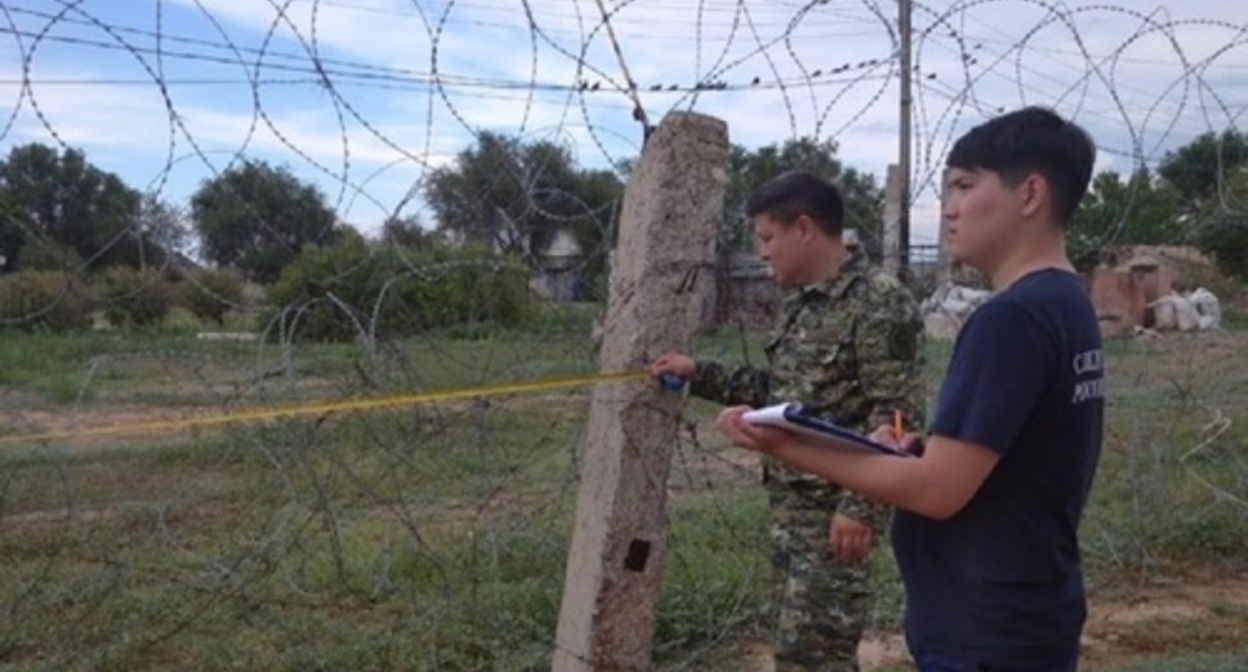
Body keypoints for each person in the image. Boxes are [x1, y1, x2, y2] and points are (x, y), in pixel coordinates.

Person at [716, 107, 1104, 672]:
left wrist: (781, 444)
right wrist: (916, 451)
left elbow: (936, 492)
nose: (947, 208)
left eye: (965, 186)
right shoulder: (1067, 303)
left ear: (1031, 195)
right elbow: (1004, 458)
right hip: (1028, 605)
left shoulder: (1011, 319)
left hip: (985, 629)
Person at [652, 170, 925, 672]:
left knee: (816, 656)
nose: (763, 252)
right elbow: (783, 393)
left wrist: (860, 507)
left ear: (804, 228)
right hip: (791, 509)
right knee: (796, 649)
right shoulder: (801, 302)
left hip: (833, 514)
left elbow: (899, 418)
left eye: (767, 237)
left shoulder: (878, 303)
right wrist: (698, 373)